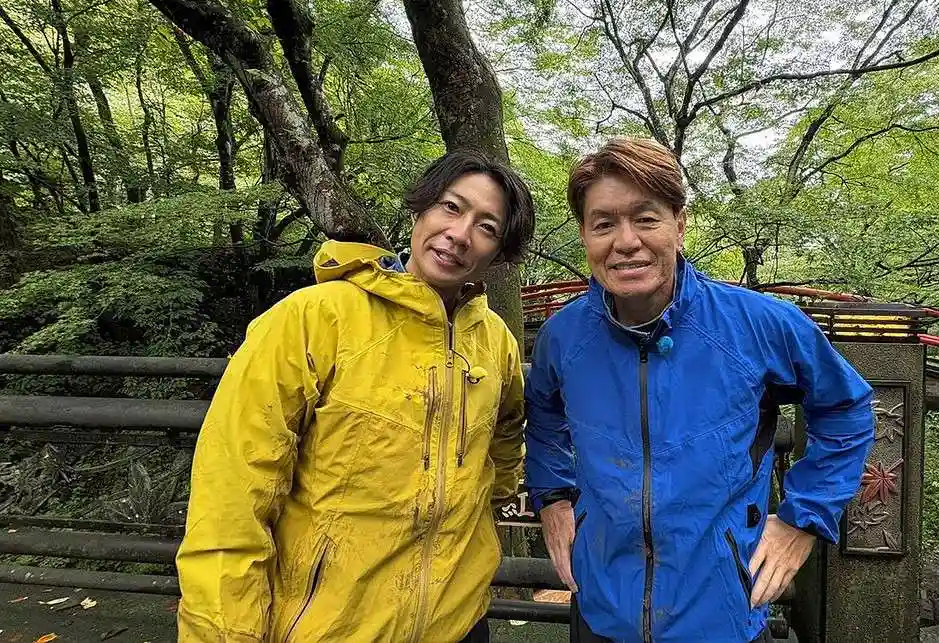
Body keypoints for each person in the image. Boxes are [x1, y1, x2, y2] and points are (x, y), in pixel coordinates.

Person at [524, 137, 876, 643]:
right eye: (603, 224)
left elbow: (846, 406)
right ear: (585, 235)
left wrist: (803, 519)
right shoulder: (564, 336)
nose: (626, 241)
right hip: (601, 604)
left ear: (679, 224)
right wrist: (554, 496)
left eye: (646, 218)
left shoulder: (756, 324)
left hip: (722, 608)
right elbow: (542, 413)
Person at [175, 150, 535, 643]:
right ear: (421, 208)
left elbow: (505, 440)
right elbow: (232, 492)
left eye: (487, 227)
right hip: (330, 626)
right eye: (451, 207)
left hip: (457, 622)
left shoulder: (495, 342)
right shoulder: (314, 318)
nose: (459, 233)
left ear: (498, 253)